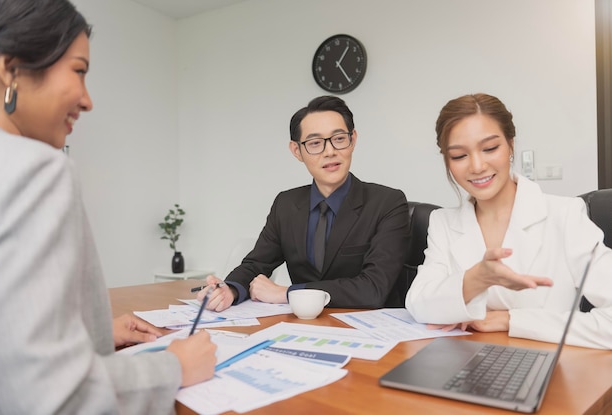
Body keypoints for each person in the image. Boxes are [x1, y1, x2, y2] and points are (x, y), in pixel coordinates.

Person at [0, 1, 216, 414]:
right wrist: (174, 367)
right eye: (78, 71)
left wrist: (92, 336)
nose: (87, 100)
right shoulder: (35, 170)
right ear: (9, 67)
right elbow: (53, 397)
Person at [405, 93, 612, 350]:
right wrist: (476, 279)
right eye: (459, 156)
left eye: (490, 148)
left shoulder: (565, 215)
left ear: (511, 145)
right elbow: (419, 304)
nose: (478, 166)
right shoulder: (443, 223)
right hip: (466, 367)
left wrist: (514, 320)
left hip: (549, 369)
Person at [197, 95, 411, 311]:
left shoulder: (387, 203)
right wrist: (230, 289)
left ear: (353, 140)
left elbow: (373, 288)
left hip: (371, 331)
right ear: (297, 151)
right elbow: (256, 264)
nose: (330, 151)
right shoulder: (286, 204)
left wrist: (287, 293)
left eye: (338, 138)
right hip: (305, 327)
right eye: (315, 143)